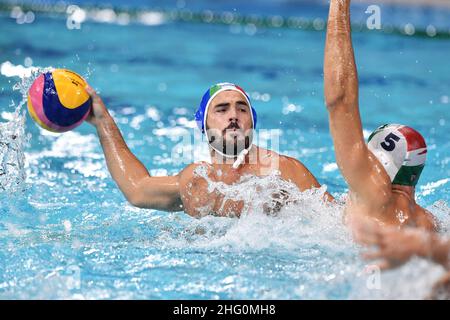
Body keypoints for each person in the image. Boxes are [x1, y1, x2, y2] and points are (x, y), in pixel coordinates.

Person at [84, 82, 333, 217]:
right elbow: (137, 190)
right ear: (204, 124)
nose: (233, 116)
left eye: (242, 109)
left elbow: (336, 220)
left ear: (252, 121)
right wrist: (102, 122)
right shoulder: (197, 180)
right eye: (222, 110)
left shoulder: (284, 170)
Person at [323, 0, 436, 230]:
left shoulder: (376, 196)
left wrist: (339, 4)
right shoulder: (430, 222)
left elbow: (340, 103)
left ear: (379, 166)